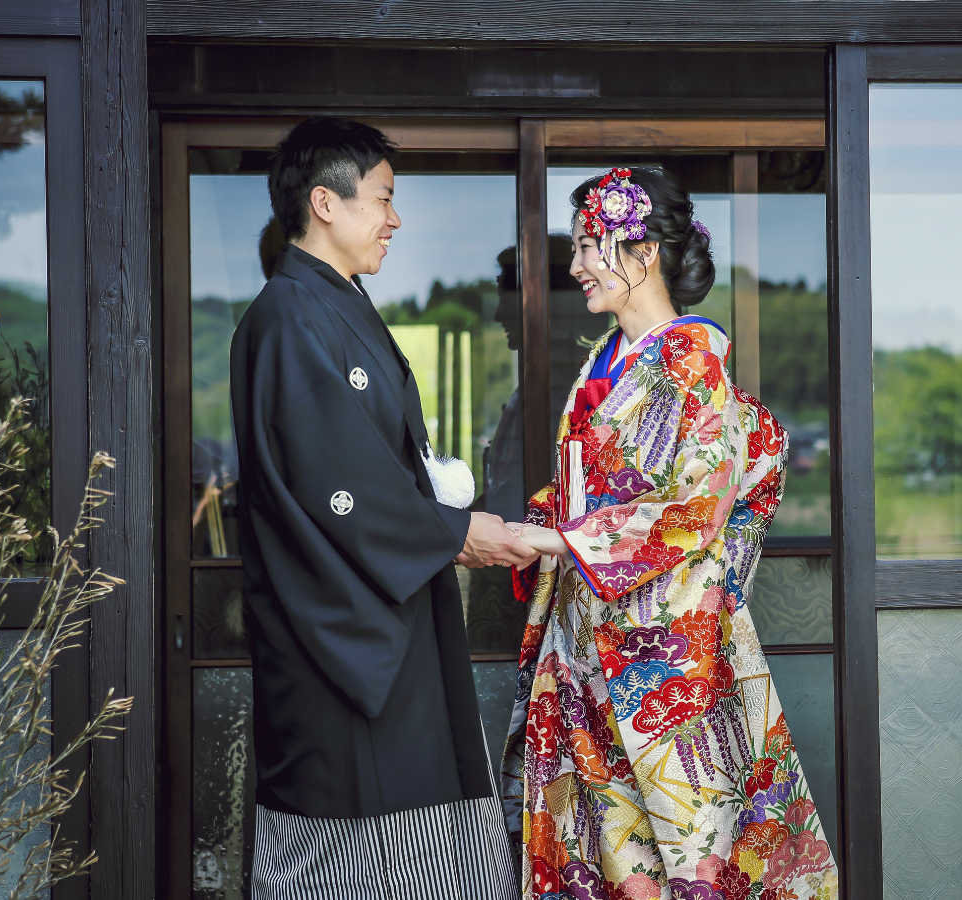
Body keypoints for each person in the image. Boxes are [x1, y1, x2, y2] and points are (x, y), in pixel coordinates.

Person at [500, 167, 838, 899]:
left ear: (644, 252)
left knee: (680, 851)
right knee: (594, 851)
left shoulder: (692, 362)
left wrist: (559, 541)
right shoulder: (606, 359)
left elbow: (695, 506)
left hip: (663, 652)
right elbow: (582, 491)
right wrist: (523, 527)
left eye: (588, 246)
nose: (575, 264)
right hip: (584, 640)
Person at [229, 116, 533, 899]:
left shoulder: (332, 305)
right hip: (339, 640)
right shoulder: (287, 316)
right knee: (349, 838)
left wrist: (447, 522)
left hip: (383, 616)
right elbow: (338, 483)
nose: (395, 219)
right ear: (325, 202)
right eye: (384, 198)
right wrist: (455, 532)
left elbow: (371, 466)